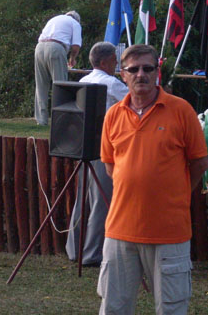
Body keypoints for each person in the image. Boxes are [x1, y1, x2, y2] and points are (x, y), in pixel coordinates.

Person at [97, 44, 208, 315]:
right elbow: (111, 167)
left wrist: (175, 193)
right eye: (133, 69)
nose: (141, 74)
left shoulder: (181, 110)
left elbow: (199, 163)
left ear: (157, 71)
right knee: (113, 308)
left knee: (171, 309)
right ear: (122, 74)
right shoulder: (113, 115)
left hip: (169, 232)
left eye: (148, 68)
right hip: (120, 231)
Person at [65, 41, 128, 266]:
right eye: (114, 61)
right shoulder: (112, 83)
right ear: (105, 61)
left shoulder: (83, 81)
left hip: (84, 146)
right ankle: (92, 253)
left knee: (83, 198)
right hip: (104, 147)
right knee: (102, 199)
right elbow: (137, 101)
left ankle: (74, 249)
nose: (116, 65)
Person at [34, 11, 82, 125]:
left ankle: (41, 120)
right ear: (77, 19)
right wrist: (72, 58)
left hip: (39, 48)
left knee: (41, 85)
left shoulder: (54, 19)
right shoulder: (75, 23)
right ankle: (59, 119)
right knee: (60, 85)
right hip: (56, 47)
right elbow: (75, 46)